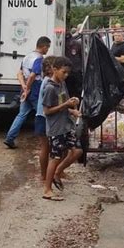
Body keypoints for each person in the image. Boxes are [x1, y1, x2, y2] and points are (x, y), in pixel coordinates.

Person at [42, 57, 82, 201]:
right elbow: (47, 111)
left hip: (66, 125)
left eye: (67, 73)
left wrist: (72, 109)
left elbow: (64, 104)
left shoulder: (62, 84)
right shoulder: (50, 88)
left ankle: (58, 172)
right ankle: (47, 189)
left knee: (77, 150)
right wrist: (66, 105)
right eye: (63, 72)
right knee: (55, 157)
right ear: (55, 69)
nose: (65, 75)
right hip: (56, 129)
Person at [4, 36, 51, 149]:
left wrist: (24, 87)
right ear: (43, 46)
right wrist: (28, 88)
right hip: (35, 90)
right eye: (48, 47)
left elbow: (19, 73)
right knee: (43, 114)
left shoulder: (27, 57)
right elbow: (33, 75)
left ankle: (10, 138)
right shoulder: (39, 59)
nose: (48, 50)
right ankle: (46, 139)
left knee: (21, 114)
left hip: (26, 89)